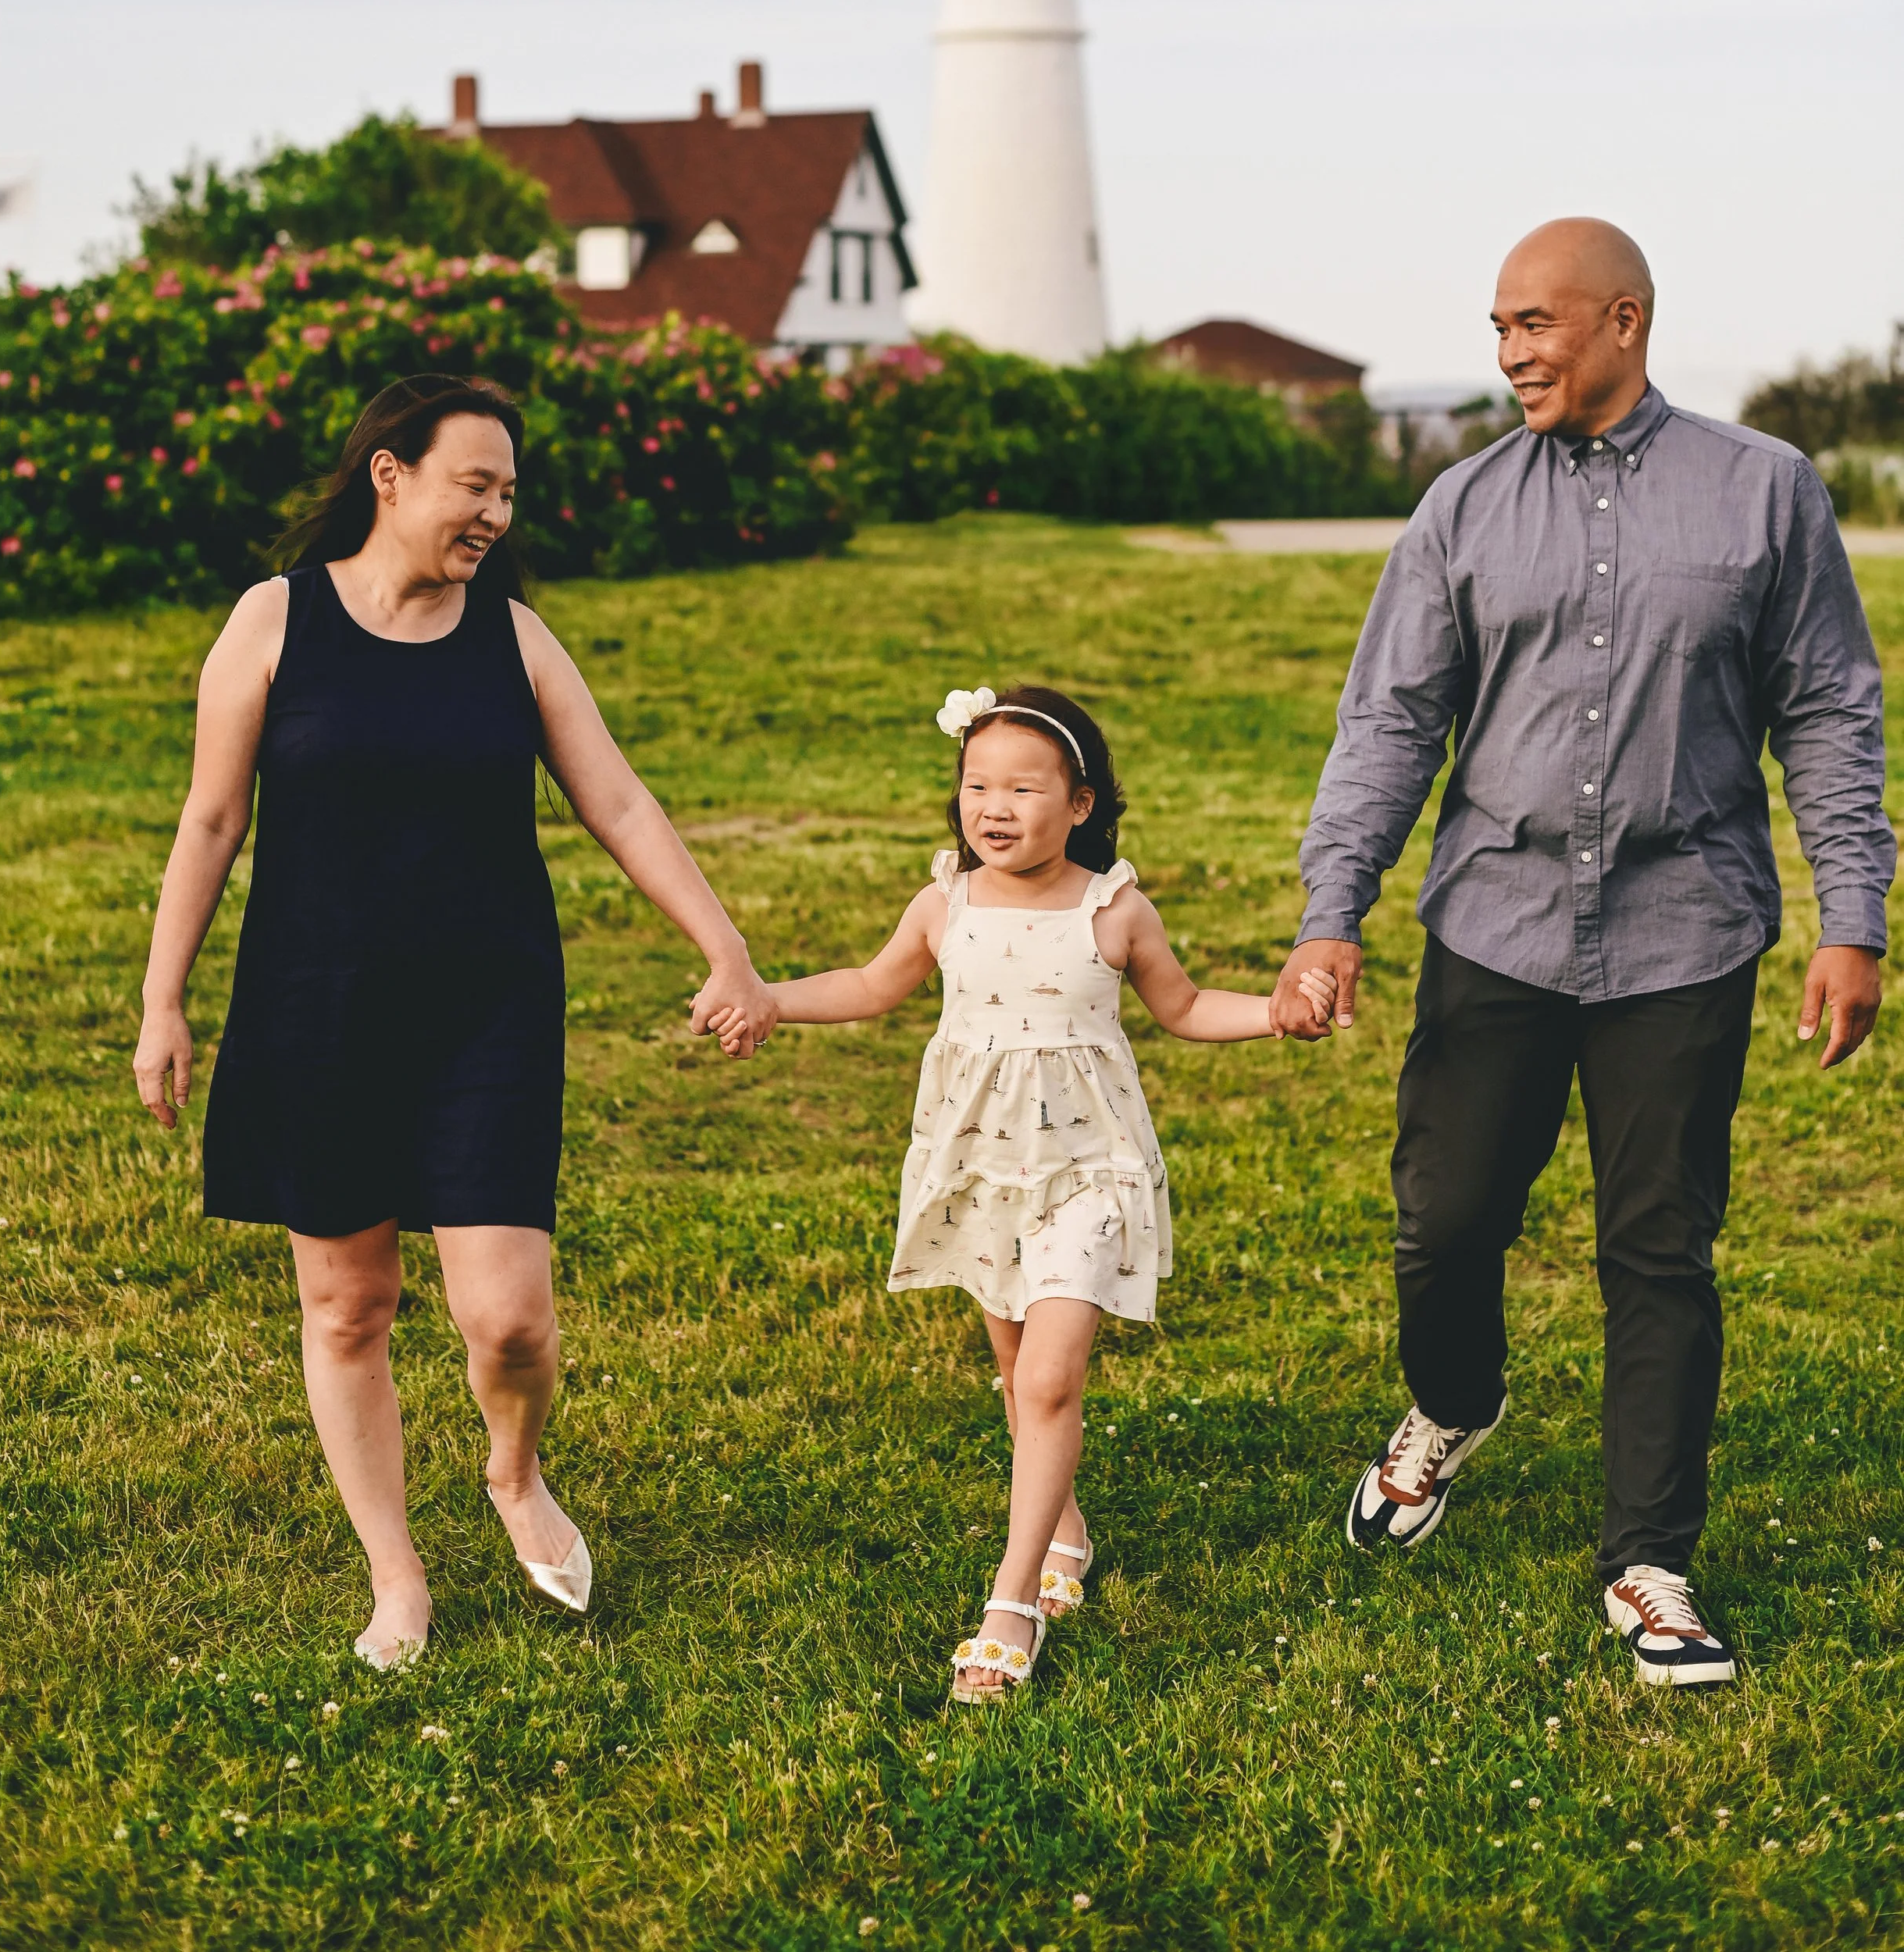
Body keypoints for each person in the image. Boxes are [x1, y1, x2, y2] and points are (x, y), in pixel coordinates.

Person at [1267, 219, 1892, 1687]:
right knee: (1446, 1219)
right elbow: (1391, 725)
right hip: (1496, 923)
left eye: (1535, 325)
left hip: (1689, 934)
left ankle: (1649, 1561)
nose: (1510, 355)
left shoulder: (1766, 493)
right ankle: (1455, 1403)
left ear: (1624, 320)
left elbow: (1829, 714)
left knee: (1659, 1248)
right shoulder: (1464, 507)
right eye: (1496, 329)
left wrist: (1851, 915)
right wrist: (1330, 911)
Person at [131, 373, 775, 1671]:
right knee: (349, 1303)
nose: (494, 512)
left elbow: (624, 806)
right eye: (473, 484)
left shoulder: (516, 638)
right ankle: (397, 1577)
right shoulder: (273, 624)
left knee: (510, 1321)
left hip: (485, 1006)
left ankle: (513, 1471)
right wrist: (163, 1000)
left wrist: (725, 944)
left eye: (507, 493)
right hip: (316, 1006)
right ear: (392, 475)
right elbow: (211, 821)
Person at [701, 682, 1334, 1699]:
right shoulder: (944, 903)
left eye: (1024, 789)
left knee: (1047, 1381)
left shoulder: (1112, 908)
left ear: (1080, 804)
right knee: (1014, 1370)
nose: (993, 806)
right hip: (981, 1166)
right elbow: (871, 987)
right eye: (976, 784)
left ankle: (1013, 1600)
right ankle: (1066, 1528)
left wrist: (1274, 1012)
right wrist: (770, 1000)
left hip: (1091, 1170)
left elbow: (1180, 1008)